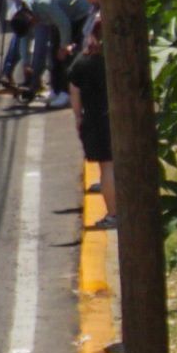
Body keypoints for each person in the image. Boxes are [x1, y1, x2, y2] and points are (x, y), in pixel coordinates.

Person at [18, 0, 95, 106]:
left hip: (77, 15)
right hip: (58, 20)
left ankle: (66, 92)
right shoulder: (23, 13)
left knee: (67, 57)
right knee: (53, 55)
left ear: (31, 19)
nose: (35, 25)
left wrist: (64, 47)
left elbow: (64, 24)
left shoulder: (43, 4)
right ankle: (56, 89)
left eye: (33, 24)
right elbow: (24, 38)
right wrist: (26, 62)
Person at [69, 20, 113, 228]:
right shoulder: (119, 59)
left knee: (107, 168)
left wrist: (78, 117)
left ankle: (114, 213)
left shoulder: (84, 62)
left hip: (95, 121)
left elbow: (74, 90)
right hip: (120, 118)